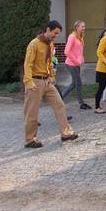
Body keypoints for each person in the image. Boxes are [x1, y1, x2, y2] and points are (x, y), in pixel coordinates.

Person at [23, 20, 78, 148]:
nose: (56, 36)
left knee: (60, 105)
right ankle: (30, 139)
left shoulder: (50, 44)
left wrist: (52, 76)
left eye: (57, 34)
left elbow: (49, 62)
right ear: (47, 30)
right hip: (34, 82)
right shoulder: (34, 44)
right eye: (55, 33)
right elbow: (28, 64)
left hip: (47, 81)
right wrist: (29, 82)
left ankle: (65, 133)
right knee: (32, 112)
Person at [61, 20, 92, 110]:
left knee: (74, 84)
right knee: (78, 83)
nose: (84, 28)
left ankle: (58, 100)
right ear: (77, 27)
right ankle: (81, 103)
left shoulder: (80, 37)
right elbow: (66, 51)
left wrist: (81, 59)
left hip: (76, 64)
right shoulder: (72, 37)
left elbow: (79, 51)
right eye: (82, 26)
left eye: (84, 26)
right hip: (71, 64)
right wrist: (76, 61)